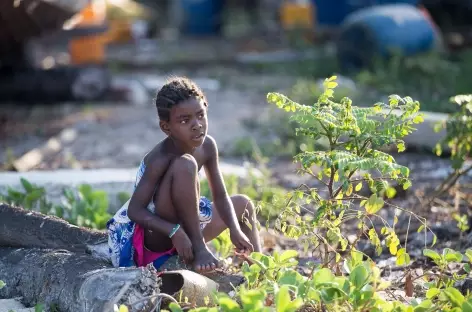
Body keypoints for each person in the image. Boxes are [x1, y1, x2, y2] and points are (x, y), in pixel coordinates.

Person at [107, 77, 262, 273]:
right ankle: (199, 248)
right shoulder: (160, 158)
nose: (197, 125)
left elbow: (221, 197)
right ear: (166, 127)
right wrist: (174, 231)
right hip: (157, 236)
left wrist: (234, 228)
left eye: (200, 115)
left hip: (188, 226)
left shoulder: (207, 146)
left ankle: (260, 270)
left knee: (244, 205)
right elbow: (135, 211)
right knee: (185, 165)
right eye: (184, 120)